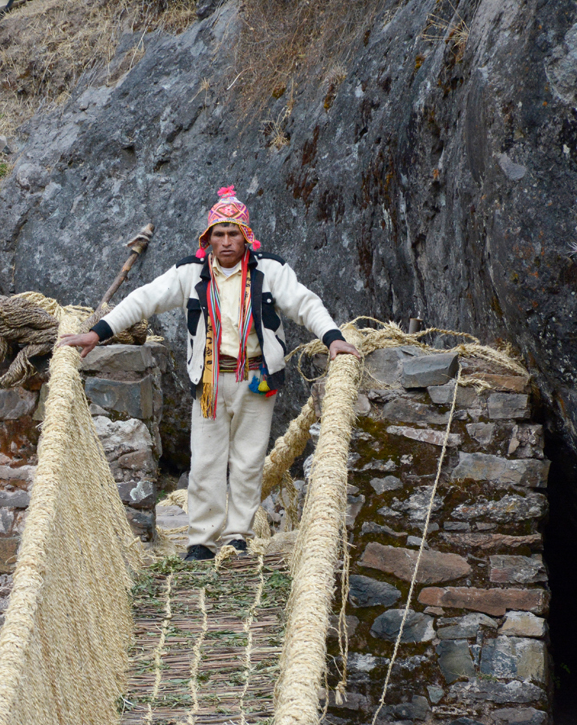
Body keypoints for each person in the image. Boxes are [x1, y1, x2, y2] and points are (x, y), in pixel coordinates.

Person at [60, 187, 361, 560]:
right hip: (210, 381)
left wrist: (332, 338)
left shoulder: (270, 270)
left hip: (257, 377)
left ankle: (238, 536)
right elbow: (144, 299)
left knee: (249, 461)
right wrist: (97, 332)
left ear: (246, 235)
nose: (226, 241)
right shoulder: (191, 272)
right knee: (205, 461)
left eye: (233, 233)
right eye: (218, 234)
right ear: (208, 239)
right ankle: (201, 540)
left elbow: (305, 304)